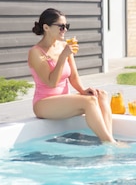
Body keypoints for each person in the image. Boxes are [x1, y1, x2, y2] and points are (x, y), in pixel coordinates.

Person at [28, 8, 120, 144]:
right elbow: (51, 83)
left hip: (63, 99)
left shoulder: (64, 46)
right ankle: (110, 143)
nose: (64, 30)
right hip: (44, 103)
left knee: (101, 95)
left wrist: (83, 90)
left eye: (66, 26)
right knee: (89, 102)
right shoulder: (36, 53)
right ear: (46, 27)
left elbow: (73, 77)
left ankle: (107, 138)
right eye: (61, 26)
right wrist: (63, 56)